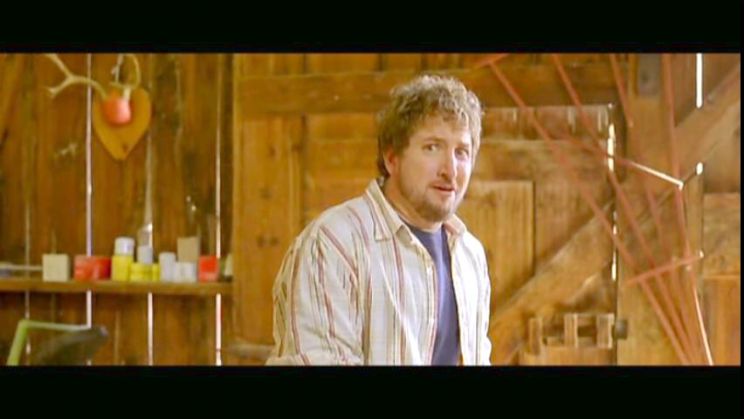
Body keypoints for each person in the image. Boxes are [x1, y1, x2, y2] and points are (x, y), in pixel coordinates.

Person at [266, 74, 491, 365]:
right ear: (391, 158)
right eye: (432, 147)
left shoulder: (470, 256)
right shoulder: (334, 245)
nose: (451, 170)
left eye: (462, 152)